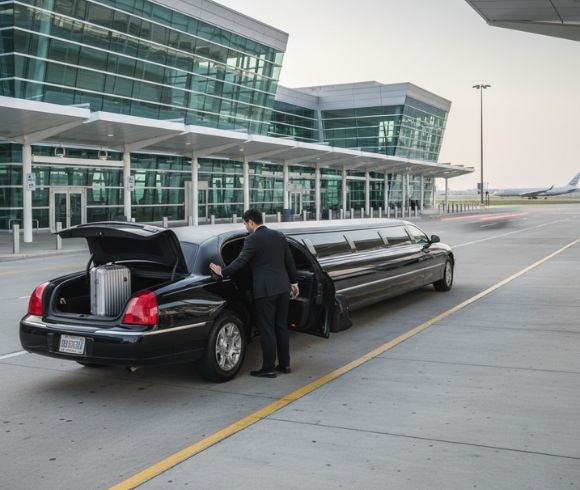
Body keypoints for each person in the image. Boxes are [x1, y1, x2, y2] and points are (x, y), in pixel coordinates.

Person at [209, 209, 299, 378]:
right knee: (281, 327)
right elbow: (289, 261)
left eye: (245, 223)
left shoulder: (252, 239)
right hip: (282, 287)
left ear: (251, 222)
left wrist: (223, 272)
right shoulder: (279, 235)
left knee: (267, 328)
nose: (245, 226)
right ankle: (285, 365)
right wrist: (294, 282)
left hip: (265, 290)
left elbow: (241, 261)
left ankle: (268, 368)